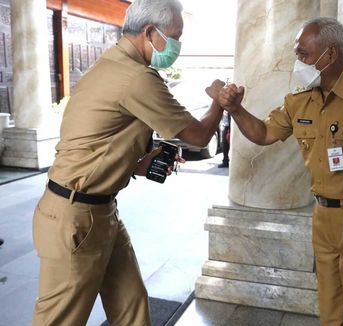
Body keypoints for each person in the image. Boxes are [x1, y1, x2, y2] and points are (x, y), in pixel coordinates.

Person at [31, 0, 224, 325]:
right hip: (77, 218)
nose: (177, 45)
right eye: (175, 36)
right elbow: (199, 135)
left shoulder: (107, 65)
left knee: (131, 305)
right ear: (150, 32)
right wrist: (220, 102)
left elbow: (90, 141)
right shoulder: (136, 77)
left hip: (99, 212)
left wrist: (139, 163)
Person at [218, 17, 343, 326]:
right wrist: (236, 110)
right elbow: (264, 133)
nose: (298, 61)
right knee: (331, 312)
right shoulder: (300, 100)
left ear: (330, 54)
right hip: (324, 217)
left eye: (304, 54)